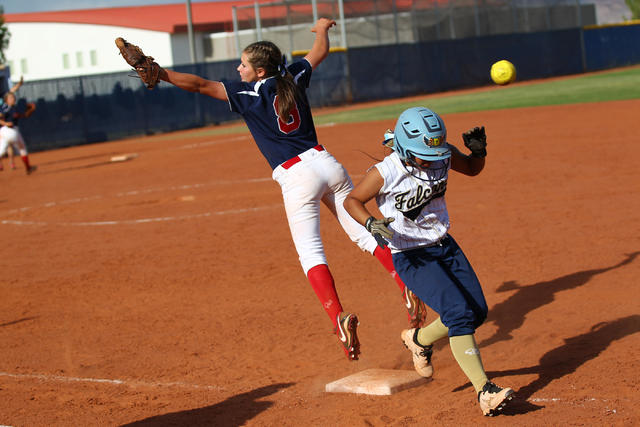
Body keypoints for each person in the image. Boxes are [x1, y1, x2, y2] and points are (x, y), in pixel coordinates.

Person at [132, 18, 427, 361]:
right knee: (363, 233)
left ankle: (338, 317)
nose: (237, 68)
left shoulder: (249, 93)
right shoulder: (293, 76)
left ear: (259, 72)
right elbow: (319, 52)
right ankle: (405, 282)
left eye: (243, 64)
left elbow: (198, 85)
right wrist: (321, 29)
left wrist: (159, 71)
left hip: (296, 176)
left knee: (311, 253)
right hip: (326, 162)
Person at [344, 107, 515, 416]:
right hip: (411, 255)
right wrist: (371, 223)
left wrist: (479, 153)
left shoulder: (440, 153)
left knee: (477, 312)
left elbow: (472, 169)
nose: (434, 161)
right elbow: (352, 200)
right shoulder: (387, 171)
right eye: (425, 155)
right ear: (406, 149)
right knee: (458, 314)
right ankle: (485, 391)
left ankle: (419, 340)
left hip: (445, 246)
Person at [0, 86, 37, 174]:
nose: (13, 98)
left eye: (14, 97)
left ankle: (28, 168)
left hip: (5, 132)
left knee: (1, 152)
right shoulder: (6, 107)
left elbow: (16, 116)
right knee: (23, 149)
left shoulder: (13, 108)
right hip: (10, 131)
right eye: (11, 97)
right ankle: (28, 168)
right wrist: (6, 123)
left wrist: (25, 114)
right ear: (6, 100)